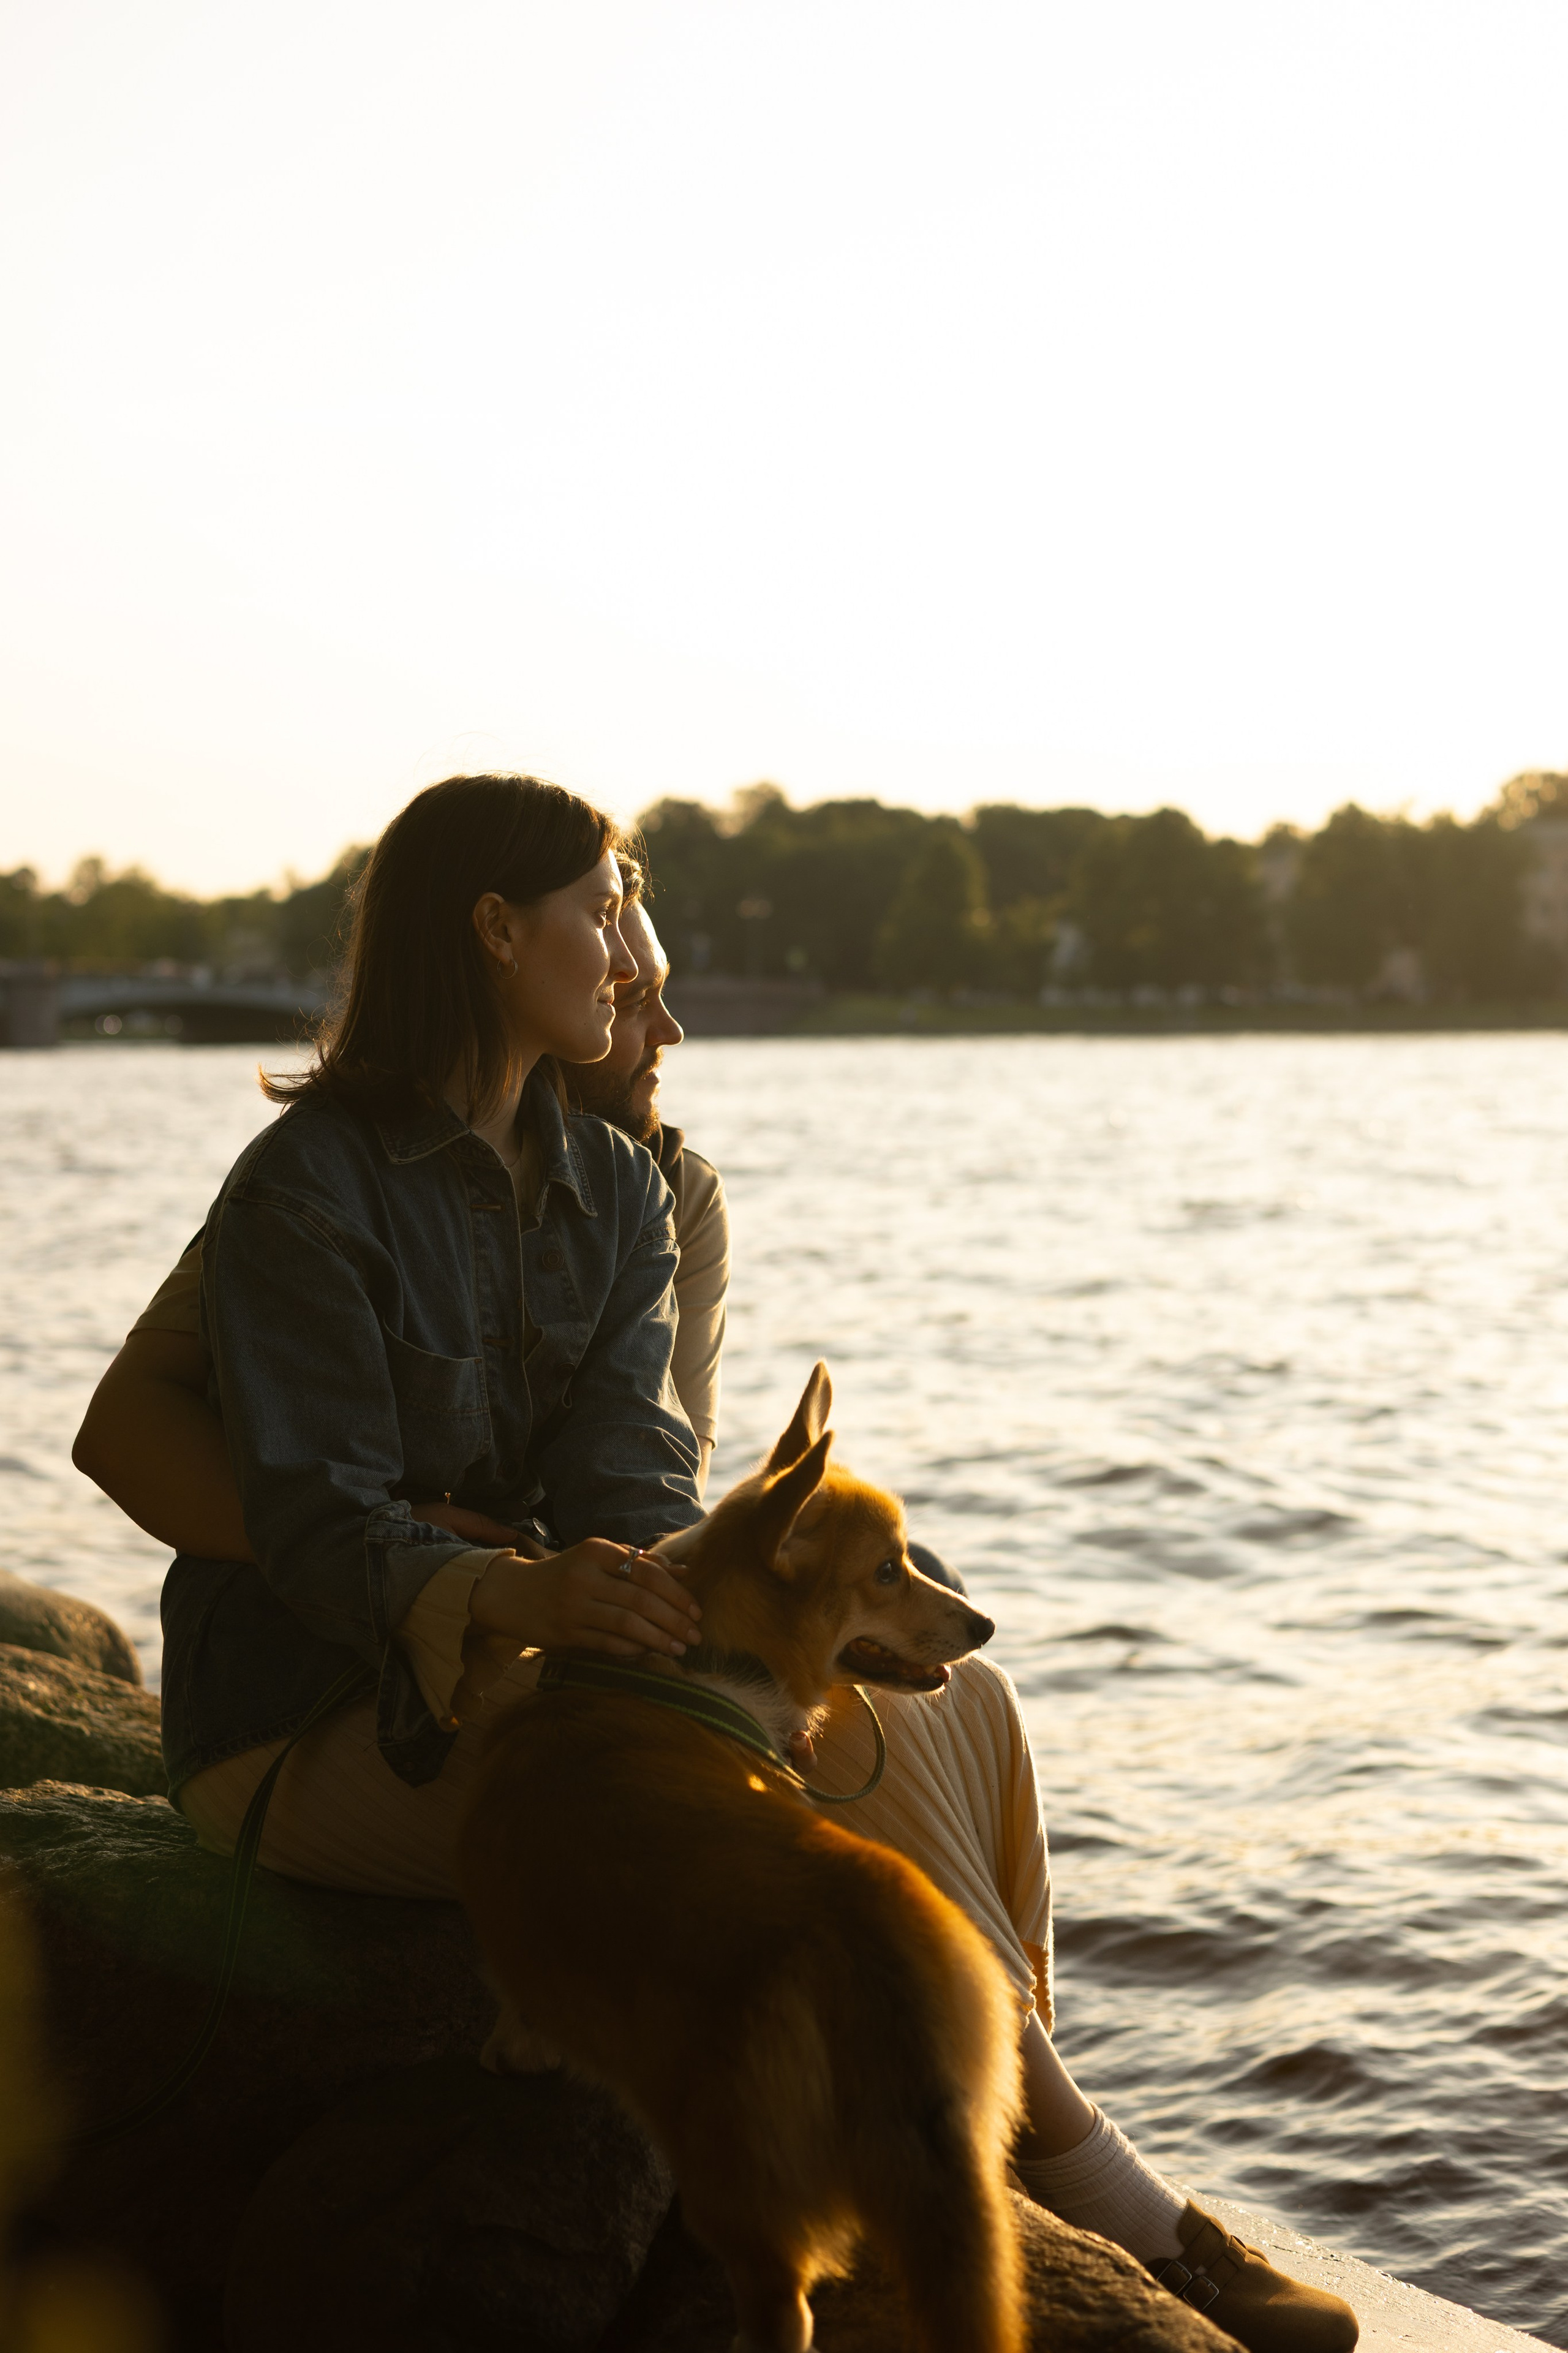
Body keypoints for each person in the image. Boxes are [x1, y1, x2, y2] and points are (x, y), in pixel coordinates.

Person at [75, 772, 1354, 2353]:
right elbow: (318, 1526)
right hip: (324, 1705)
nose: (633, 965)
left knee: (929, 1702)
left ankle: (992, 2117)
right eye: (607, 914)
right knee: (832, 1774)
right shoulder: (310, 1186)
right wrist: (513, 1592)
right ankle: (1115, 2215)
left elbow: (634, 1471)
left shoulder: (624, 1191)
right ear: (493, 930)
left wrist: (694, 1614)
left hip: (543, 1663)